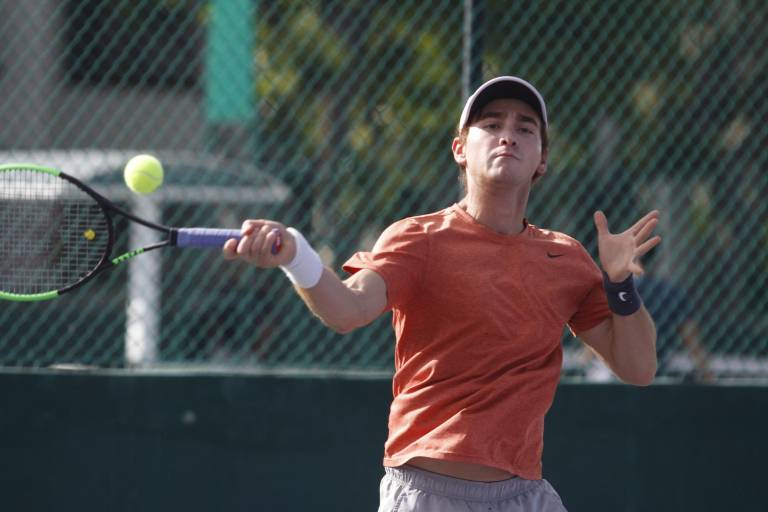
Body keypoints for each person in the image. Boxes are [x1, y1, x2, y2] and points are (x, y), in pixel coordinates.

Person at [222, 76, 661, 512]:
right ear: (459, 149)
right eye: (491, 125)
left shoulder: (566, 258)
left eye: (525, 128)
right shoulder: (417, 239)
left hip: (525, 495)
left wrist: (620, 285)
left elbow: (639, 368)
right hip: (427, 493)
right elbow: (347, 310)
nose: (508, 135)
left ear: (542, 159)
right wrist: (297, 255)